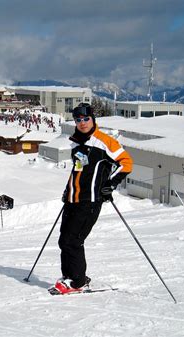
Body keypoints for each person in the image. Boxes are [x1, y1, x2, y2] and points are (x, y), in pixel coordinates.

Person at [51, 103, 133, 295]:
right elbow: (78, 170)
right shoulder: (77, 143)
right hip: (73, 199)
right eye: (78, 120)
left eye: (86, 119)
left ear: (93, 119)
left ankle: (78, 282)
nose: (82, 123)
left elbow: (126, 163)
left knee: (74, 241)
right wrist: (68, 190)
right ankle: (69, 276)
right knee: (64, 240)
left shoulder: (104, 141)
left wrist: (110, 184)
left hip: (90, 201)